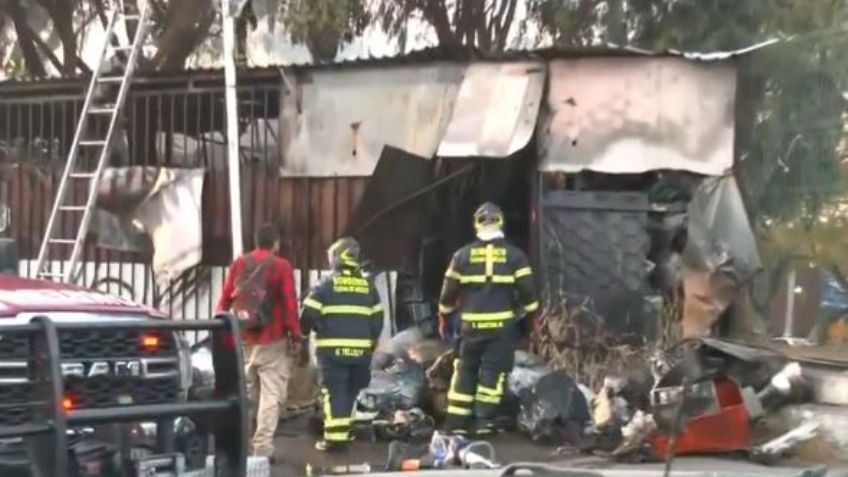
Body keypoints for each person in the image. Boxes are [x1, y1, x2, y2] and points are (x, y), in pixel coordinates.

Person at [438, 202, 539, 436]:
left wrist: (444, 315)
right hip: (501, 329)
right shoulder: (516, 256)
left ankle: (456, 421)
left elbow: (447, 294)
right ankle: (482, 421)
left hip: (470, 327)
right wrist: (530, 317)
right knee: (492, 373)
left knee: (466, 369)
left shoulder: (461, 256)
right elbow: (528, 295)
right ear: (501, 222)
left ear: (476, 225)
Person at [216, 222, 300, 461]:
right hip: (272, 339)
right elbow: (289, 304)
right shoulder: (281, 266)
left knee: (246, 394)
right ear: (276, 243)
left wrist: (221, 325)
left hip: (242, 336)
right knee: (271, 396)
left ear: (255, 241)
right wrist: (296, 335)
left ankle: (240, 445)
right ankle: (262, 448)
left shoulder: (240, 263)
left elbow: (225, 298)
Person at [300, 237, 383, 452]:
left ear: (337, 258)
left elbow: (307, 316)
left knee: (334, 392)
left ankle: (336, 440)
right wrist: (369, 343)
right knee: (351, 392)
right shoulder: (368, 287)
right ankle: (344, 433)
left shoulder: (325, 285)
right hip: (361, 353)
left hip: (332, 352)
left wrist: (303, 335)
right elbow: (377, 321)